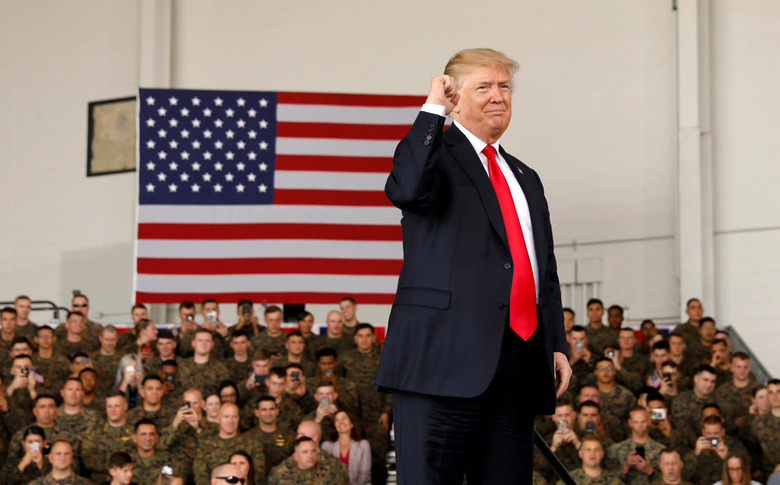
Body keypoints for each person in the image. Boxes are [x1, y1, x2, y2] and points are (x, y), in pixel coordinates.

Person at [377, 47, 571, 485]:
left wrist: (555, 344)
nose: (498, 95)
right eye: (483, 87)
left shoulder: (526, 177)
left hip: (517, 367)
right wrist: (432, 110)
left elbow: (544, 272)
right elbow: (405, 189)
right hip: (440, 363)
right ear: (455, 99)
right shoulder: (433, 155)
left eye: (504, 87)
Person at [321, 410, 371, 485]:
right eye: (337, 420)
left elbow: (364, 473)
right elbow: (325, 473)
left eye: (344, 418)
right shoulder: (326, 446)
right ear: (334, 426)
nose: (341, 422)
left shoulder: (363, 445)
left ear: (351, 424)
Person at [556, 434, 621, 485]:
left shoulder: (614, 481)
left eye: (596, 450)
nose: (592, 453)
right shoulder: (568, 480)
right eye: (588, 450)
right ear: (581, 454)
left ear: (602, 454)